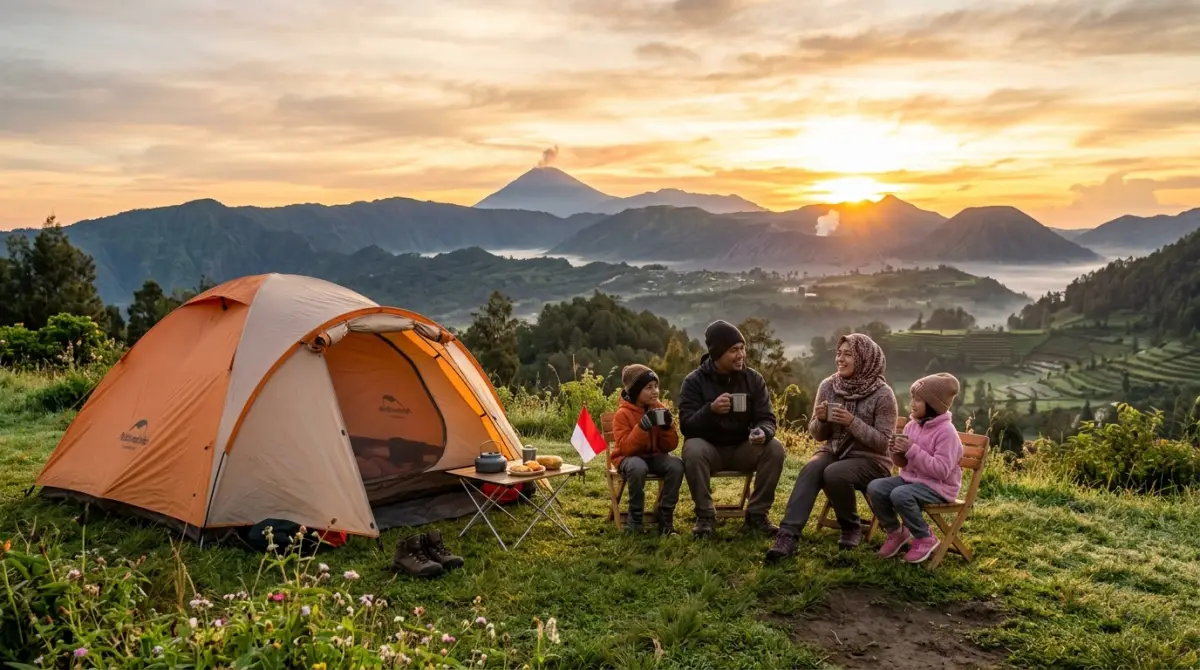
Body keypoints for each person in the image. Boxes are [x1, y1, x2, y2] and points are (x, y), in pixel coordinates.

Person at [766, 333, 897, 562]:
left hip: (871, 461)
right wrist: (821, 420)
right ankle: (787, 537)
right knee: (812, 469)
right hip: (833, 451)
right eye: (839, 353)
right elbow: (817, 435)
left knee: (834, 472)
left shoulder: (883, 394)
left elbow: (884, 444)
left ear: (865, 359)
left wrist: (852, 422)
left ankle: (850, 526)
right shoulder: (828, 385)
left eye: (848, 354)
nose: (840, 359)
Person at [679, 320, 786, 539]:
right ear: (717, 354)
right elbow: (686, 426)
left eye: (742, 348)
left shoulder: (753, 379)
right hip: (710, 450)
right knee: (692, 448)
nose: (741, 355)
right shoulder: (694, 382)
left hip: (742, 449)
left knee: (774, 448)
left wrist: (762, 432)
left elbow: (767, 418)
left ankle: (757, 516)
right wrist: (711, 410)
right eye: (733, 350)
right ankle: (705, 518)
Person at [869, 373, 963, 564]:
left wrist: (911, 449)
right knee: (875, 488)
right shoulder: (912, 426)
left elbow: (941, 471)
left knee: (900, 494)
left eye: (919, 399)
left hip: (938, 487)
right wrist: (896, 452)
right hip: (911, 480)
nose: (912, 402)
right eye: (913, 397)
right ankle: (896, 532)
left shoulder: (947, 433)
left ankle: (925, 537)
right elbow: (903, 464)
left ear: (933, 405)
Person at [611, 364, 684, 536]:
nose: (655, 391)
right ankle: (635, 522)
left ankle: (665, 518)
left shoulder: (659, 408)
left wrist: (667, 428)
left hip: (654, 456)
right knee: (637, 466)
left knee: (676, 465)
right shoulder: (622, 414)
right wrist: (642, 428)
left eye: (656, 386)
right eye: (648, 387)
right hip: (628, 458)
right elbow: (627, 449)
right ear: (636, 391)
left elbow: (670, 446)